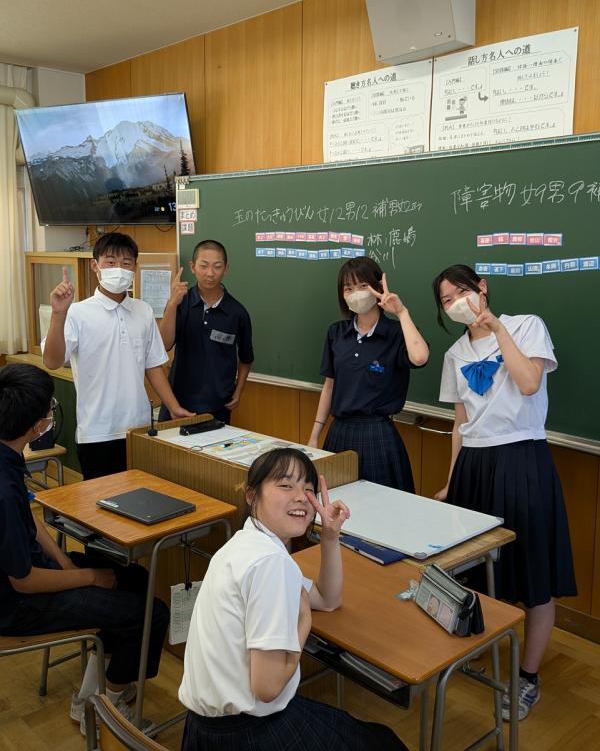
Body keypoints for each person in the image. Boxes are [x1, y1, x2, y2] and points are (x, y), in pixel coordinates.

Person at [178, 447, 407, 750]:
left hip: (204, 729)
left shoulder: (246, 543)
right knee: (382, 742)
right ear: (252, 496)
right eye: (286, 485)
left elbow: (327, 598)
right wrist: (303, 624)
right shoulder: (269, 563)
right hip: (246, 734)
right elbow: (268, 687)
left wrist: (329, 535)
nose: (301, 497)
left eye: (308, 489)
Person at [432, 264, 577, 721]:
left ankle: (528, 677)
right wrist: (451, 480)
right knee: (478, 571)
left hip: (522, 458)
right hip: (474, 467)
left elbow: (529, 383)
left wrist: (496, 327)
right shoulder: (455, 353)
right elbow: (460, 423)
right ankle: (481, 649)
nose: (456, 303)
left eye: (462, 292)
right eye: (446, 300)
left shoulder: (526, 326)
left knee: (533, 573)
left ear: (482, 287)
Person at [0, 363, 170, 736]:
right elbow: (23, 581)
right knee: (151, 614)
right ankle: (106, 709)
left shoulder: (7, 458)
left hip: (31, 574)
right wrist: (88, 577)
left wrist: (67, 565)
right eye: (48, 409)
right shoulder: (3, 489)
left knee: (135, 579)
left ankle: (92, 692)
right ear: (36, 425)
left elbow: (33, 524)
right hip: (17, 604)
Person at [43, 232, 193, 480]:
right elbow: (52, 361)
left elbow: (153, 365)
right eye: (110, 262)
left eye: (126, 263)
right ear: (95, 266)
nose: (119, 269)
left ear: (135, 267)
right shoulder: (77, 312)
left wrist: (173, 407)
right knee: (102, 500)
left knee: (142, 496)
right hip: (97, 432)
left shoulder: (143, 311)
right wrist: (58, 315)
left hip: (139, 429)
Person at [308, 257, 429, 492]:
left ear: (378, 288)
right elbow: (329, 386)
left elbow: (420, 357)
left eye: (363, 286)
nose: (356, 294)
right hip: (339, 431)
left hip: (378, 434)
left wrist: (401, 312)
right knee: (337, 501)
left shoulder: (396, 332)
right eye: (348, 288)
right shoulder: (336, 333)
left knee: (384, 506)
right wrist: (314, 435)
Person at [158, 239, 254, 424]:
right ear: (192, 267)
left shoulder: (237, 312)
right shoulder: (181, 303)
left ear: (226, 269)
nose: (210, 273)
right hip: (177, 403)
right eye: (204, 266)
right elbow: (164, 344)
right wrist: (172, 304)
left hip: (217, 406)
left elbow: (246, 358)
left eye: (217, 266)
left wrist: (239, 390)